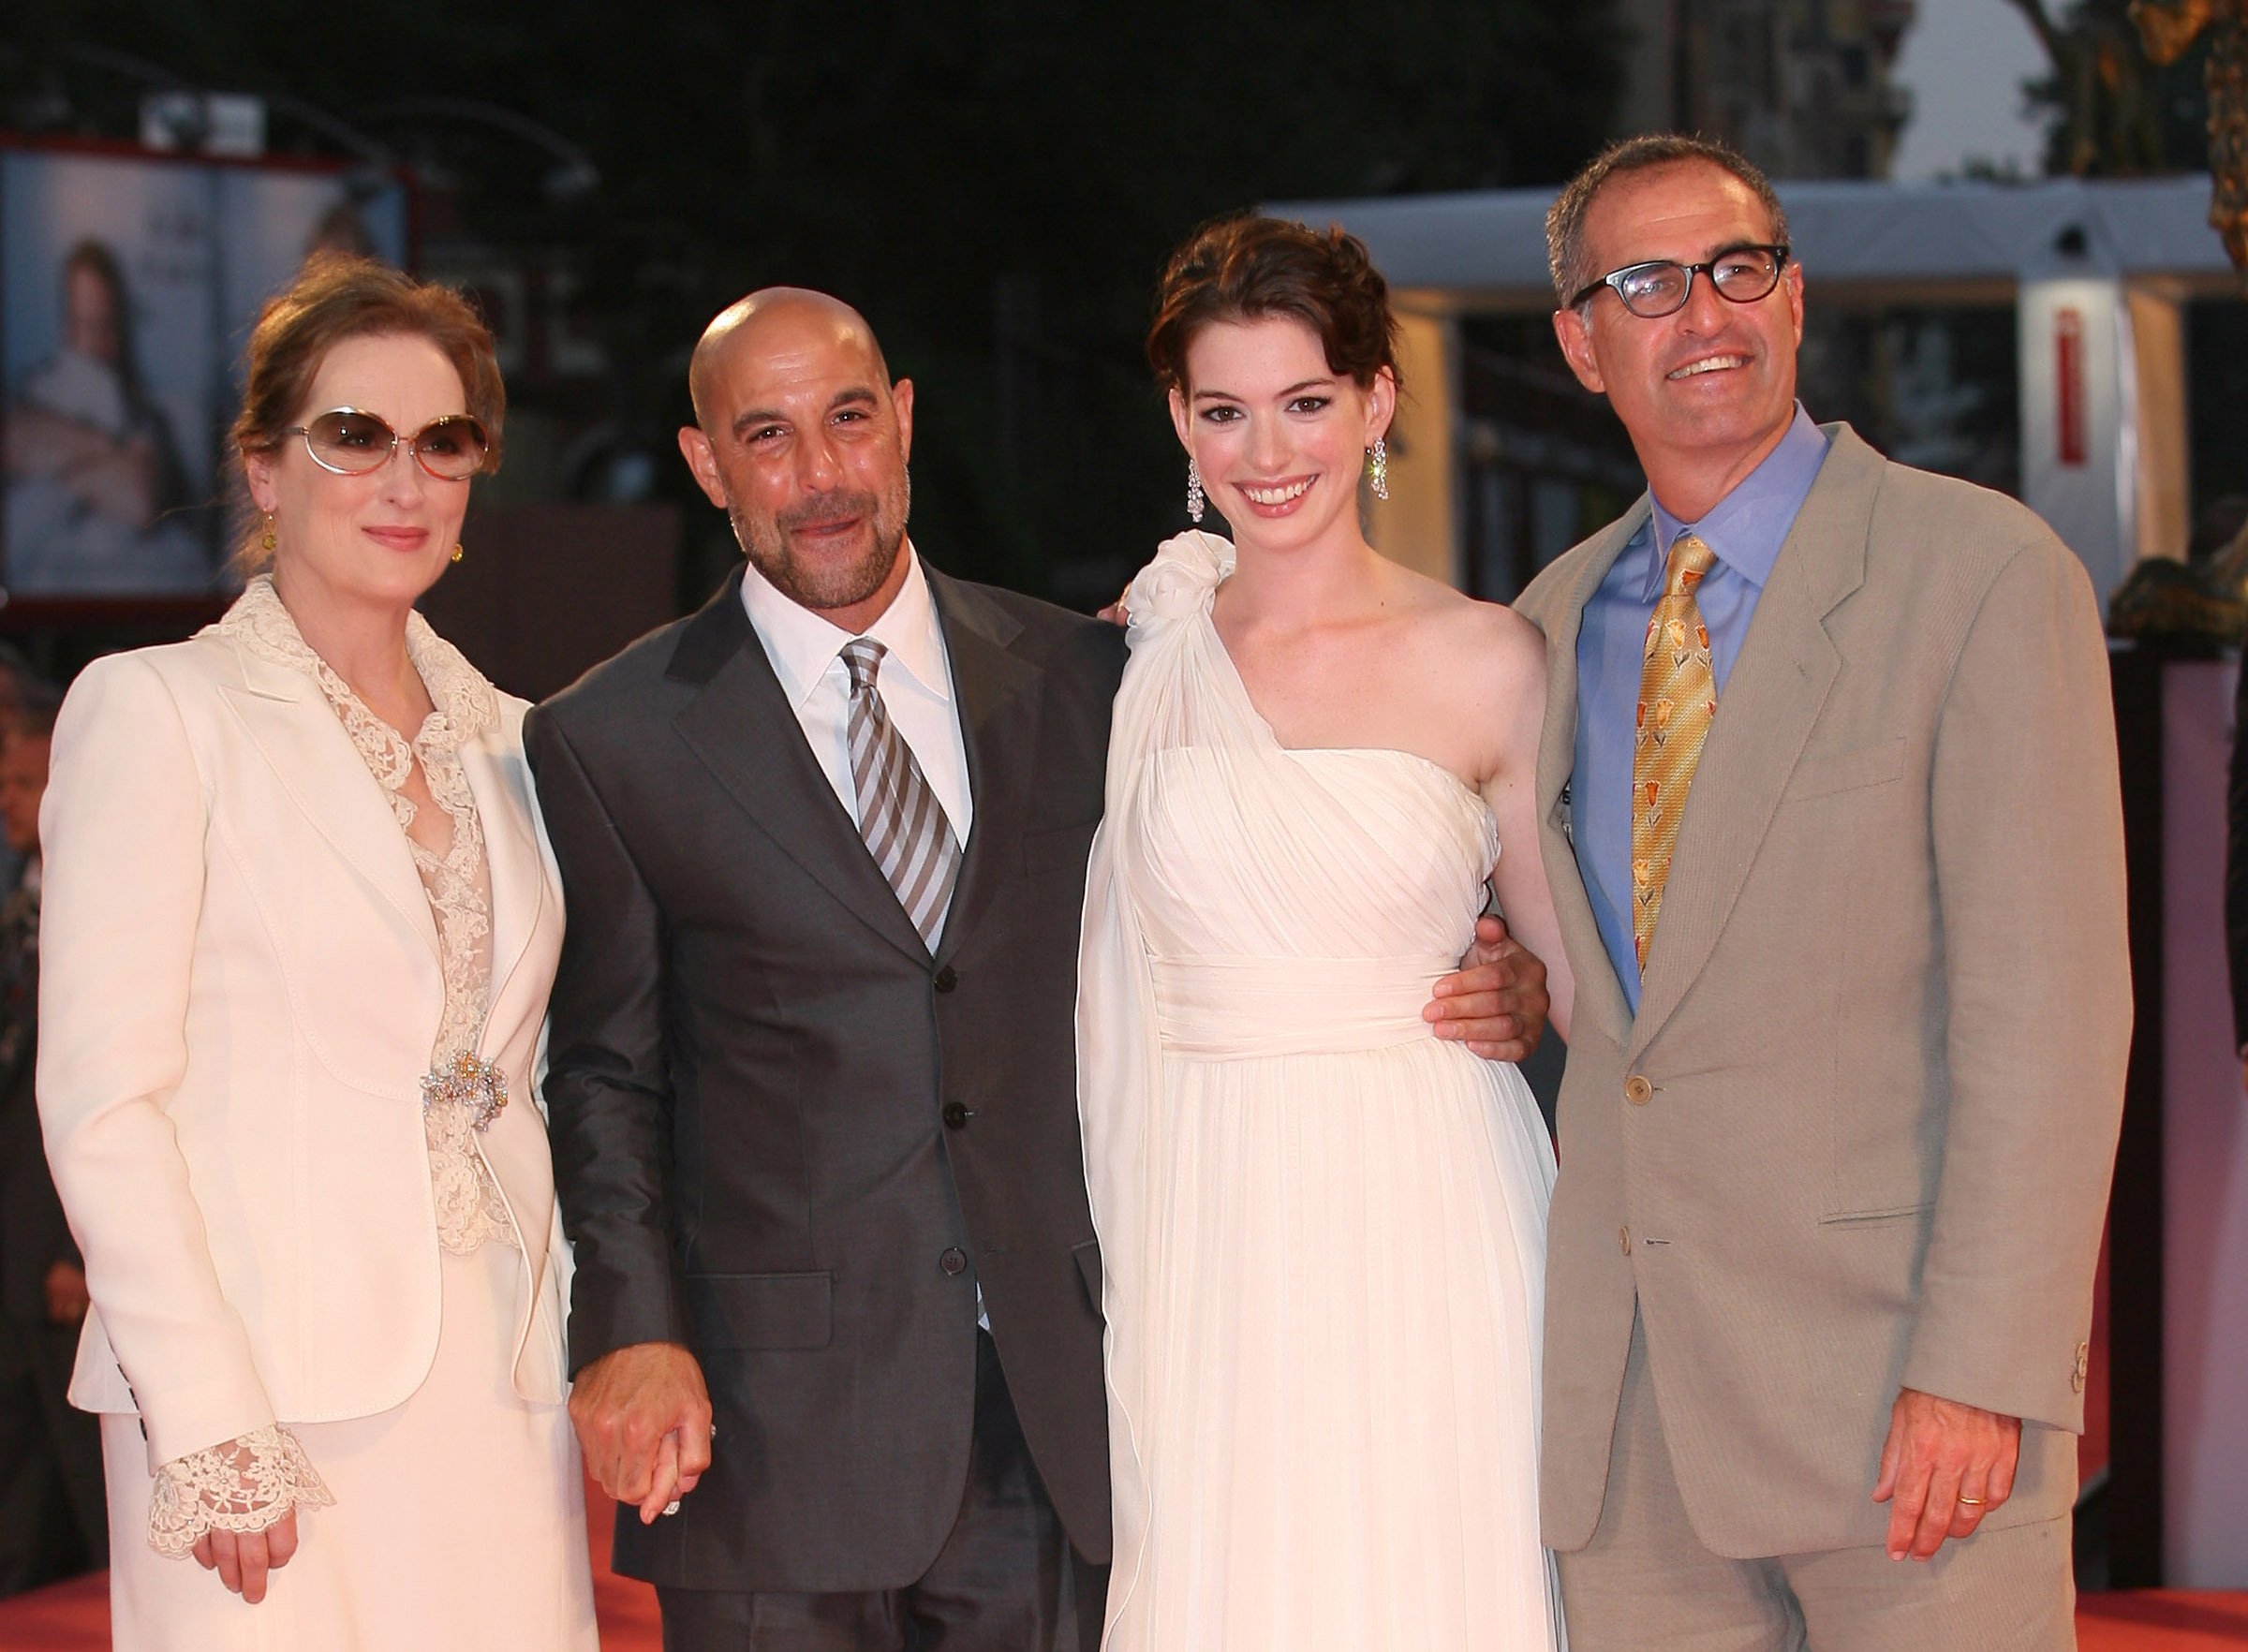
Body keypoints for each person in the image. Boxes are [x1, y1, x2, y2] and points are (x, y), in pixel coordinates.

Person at [525, 286, 1550, 1652]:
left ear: (901, 424)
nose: (821, 474)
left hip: (1067, 1407)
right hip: (774, 1428)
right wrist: (627, 1330)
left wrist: (1511, 975)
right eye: (765, 436)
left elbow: (1243, 896)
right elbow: (603, 1071)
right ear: (708, 464)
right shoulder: (613, 736)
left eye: (845, 419)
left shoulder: (1087, 673)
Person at [1519, 134, 2128, 1648]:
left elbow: (2048, 1014)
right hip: (1633, 1430)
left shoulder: (1981, 572)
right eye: (1647, 283)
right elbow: (1605, 991)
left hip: (1904, 1412)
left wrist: (1985, 1365)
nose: (1705, 312)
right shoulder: (1540, 627)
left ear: (1795, 300)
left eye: (1741, 267)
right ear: (1579, 344)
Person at [36, 253, 595, 1650]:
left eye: (443, 442)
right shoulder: (159, 711)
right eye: (355, 436)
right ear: (264, 469)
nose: (403, 481)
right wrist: (209, 1413)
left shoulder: (521, 740)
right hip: (267, 1396)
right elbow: (103, 1102)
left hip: (497, 1376)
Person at [1077, 215, 1574, 1651]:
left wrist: (1526, 983)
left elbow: (1574, 978)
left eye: (1305, 401)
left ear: (1377, 401)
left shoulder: (1490, 658)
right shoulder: (1134, 657)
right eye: (1225, 411)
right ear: (1180, 418)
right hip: (1204, 1208)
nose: (1268, 451)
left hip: (1433, 1198)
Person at [0, 691, 108, 1596]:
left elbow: (106, 1079)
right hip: (16, 1222)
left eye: (29, 783)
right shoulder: (20, 896)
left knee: (76, 1453)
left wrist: (84, 1248)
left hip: (64, 1231)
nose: (12, 801)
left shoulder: (100, 897)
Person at [4, 239, 205, 594]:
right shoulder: (32, 395)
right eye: (87, 326)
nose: (98, 344)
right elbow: (17, 443)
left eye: (107, 325)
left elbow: (138, 500)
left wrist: (63, 464)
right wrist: (107, 455)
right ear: (68, 325)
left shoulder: (147, 416)